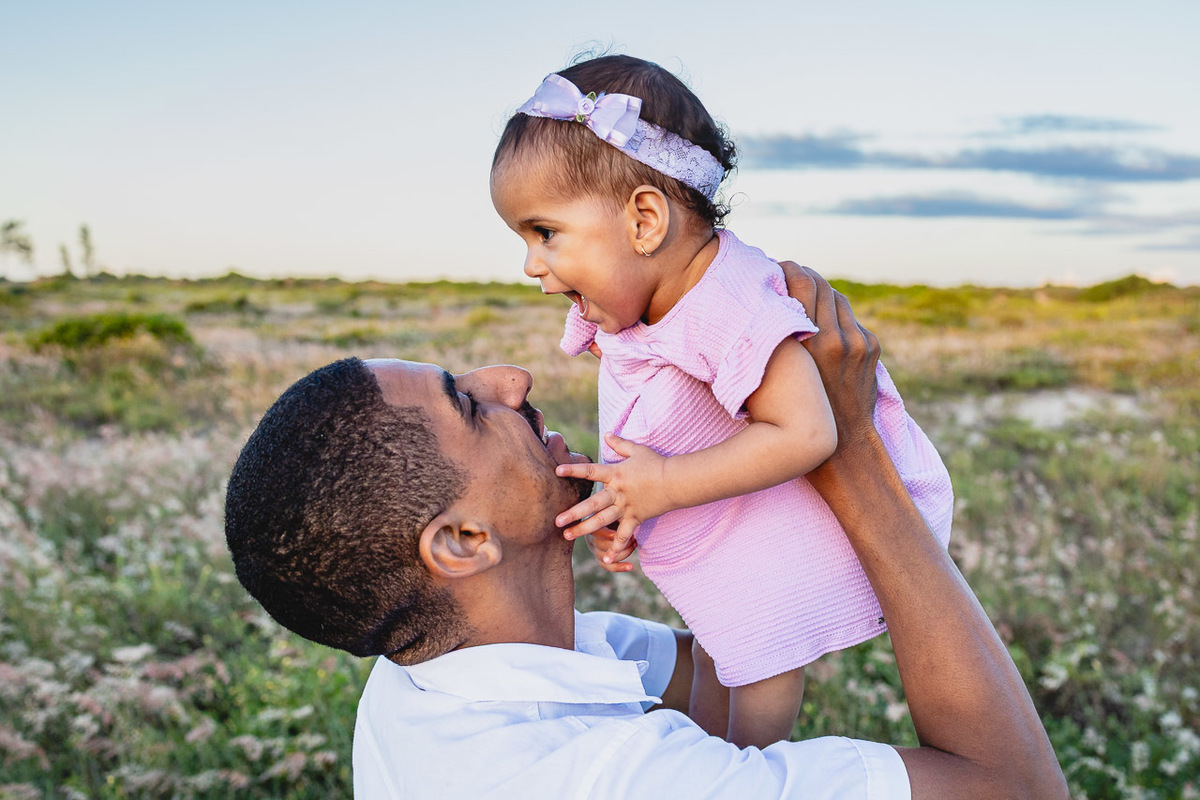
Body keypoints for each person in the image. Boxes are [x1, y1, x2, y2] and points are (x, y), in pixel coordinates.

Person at [223, 265, 1068, 798]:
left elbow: (732, 690)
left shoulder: (434, 674)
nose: (509, 378)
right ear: (462, 543)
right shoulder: (608, 780)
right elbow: (1017, 789)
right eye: (465, 401)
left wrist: (704, 482)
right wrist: (848, 455)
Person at [490, 54, 954, 747]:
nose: (531, 264)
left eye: (544, 233)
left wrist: (665, 486)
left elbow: (806, 433)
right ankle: (700, 767)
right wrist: (629, 501)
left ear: (645, 220)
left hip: (782, 537)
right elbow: (661, 420)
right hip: (735, 522)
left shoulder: (731, 299)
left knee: (758, 663)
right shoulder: (645, 304)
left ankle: (745, 770)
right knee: (719, 649)